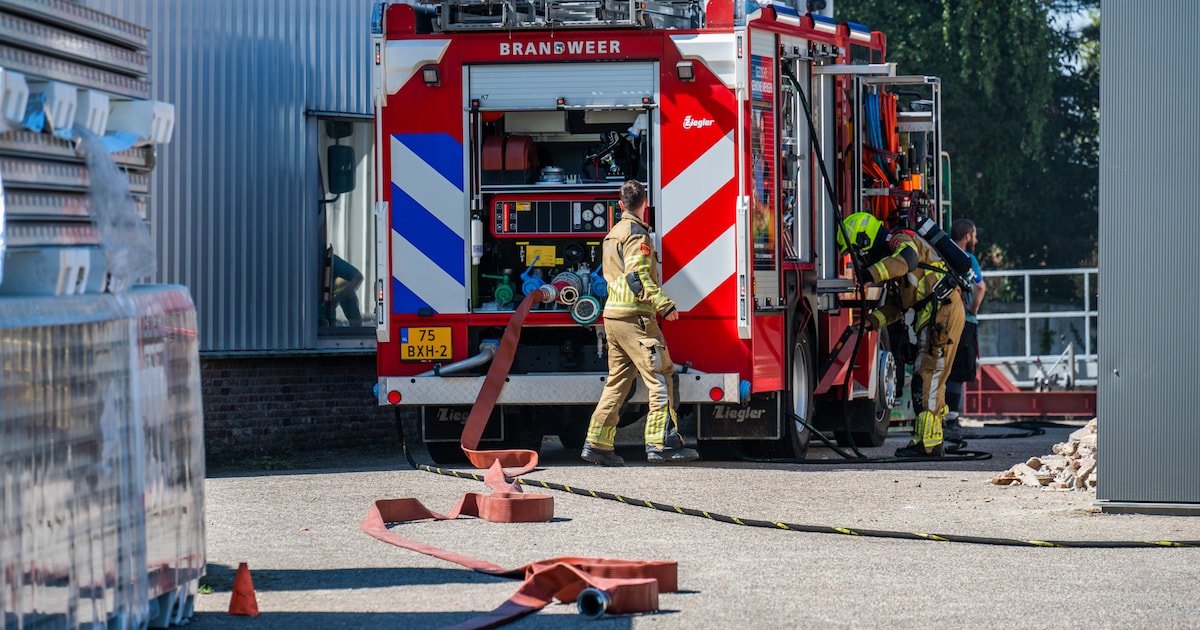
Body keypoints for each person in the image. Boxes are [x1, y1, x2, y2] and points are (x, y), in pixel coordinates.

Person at [581, 180, 699, 466]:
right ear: (646, 203)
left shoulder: (612, 234)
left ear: (620, 205)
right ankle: (662, 443)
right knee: (662, 376)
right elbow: (637, 276)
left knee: (618, 383)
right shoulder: (636, 234)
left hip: (613, 317)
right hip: (635, 318)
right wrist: (663, 304)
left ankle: (597, 444)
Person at [838, 212, 965, 458]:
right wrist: (871, 322)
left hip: (941, 313)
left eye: (859, 253)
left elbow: (908, 259)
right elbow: (897, 306)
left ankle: (927, 444)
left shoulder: (901, 240)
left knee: (928, 376)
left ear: (865, 240)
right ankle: (930, 438)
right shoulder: (893, 258)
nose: (861, 260)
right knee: (929, 376)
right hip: (936, 313)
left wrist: (869, 275)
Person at [944, 219, 986, 439]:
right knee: (959, 370)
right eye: (974, 236)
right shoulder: (968, 259)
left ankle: (938, 415)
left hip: (942, 320)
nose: (976, 240)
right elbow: (980, 286)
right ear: (967, 237)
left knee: (942, 367)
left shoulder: (941, 256)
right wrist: (973, 308)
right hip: (965, 320)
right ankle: (951, 418)